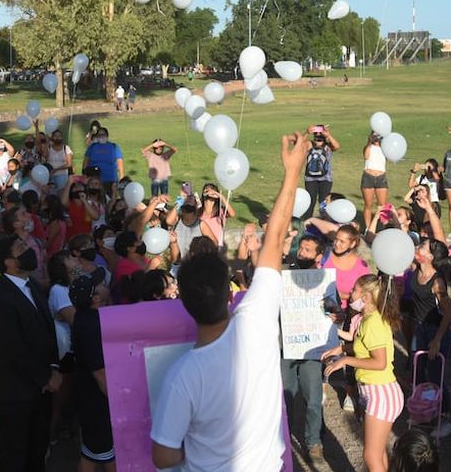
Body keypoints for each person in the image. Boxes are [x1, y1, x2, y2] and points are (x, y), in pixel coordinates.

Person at [150, 131, 309, 471]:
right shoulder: (257, 321)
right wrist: (293, 171)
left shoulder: (183, 376)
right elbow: (276, 236)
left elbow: (163, 457)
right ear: (229, 293)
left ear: (184, 302)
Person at [0, 235, 60, 472]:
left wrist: (54, 368)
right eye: (21, 248)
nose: (28, 250)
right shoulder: (0, 298)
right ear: (9, 261)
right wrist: (45, 377)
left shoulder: (32, 285)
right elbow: (11, 348)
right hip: (16, 392)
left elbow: (47, 331)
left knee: (38, 449)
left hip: (40, 389)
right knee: (16, 454)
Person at [322, 273, 403, 472]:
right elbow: (363, 348)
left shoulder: (372, 323)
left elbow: (380, 362)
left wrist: (346, 360)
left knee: (371, 454)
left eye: (355, 290)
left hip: (381, 393)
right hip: (375, 392)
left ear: (366, 296)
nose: (350, 293)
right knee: (378, 452)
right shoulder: (368, 319)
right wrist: (340, 350)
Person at [281, 235, 326, 462]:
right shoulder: (285, 271)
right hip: (285, 346)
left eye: (308, 250)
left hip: (311, 349)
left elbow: (331, 309)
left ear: (318, 256)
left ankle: (313, 442)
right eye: (302, 248)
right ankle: (284, 441)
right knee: (285, 397)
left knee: (313, 398)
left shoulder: (325, 279)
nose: (302, 252)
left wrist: (334, 312)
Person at [408, 238, 451, 438]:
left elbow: (448, 313)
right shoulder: (415, 269)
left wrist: (437, 340)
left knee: (437, 377)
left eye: (422, 246)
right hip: (420, 328)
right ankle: (423, 411)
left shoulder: (437, 281)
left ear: (429, 257)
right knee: (417, 372)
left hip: (436, 331)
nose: (417, 247)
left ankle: (447, 418)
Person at [69, 268, 114, 472]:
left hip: (87, 395)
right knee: (103, 453)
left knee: (93, 451)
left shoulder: (84, 317)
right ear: (95, 298)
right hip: (96, 400)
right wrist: (117, 402)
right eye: (101, 285)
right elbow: (99, 372)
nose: (105, 285)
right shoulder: (92, 326)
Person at [303, 124, 340, 219]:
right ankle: (307, 223)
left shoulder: (328, 146)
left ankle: (324, 220)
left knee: (324, 201)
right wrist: (307, 132)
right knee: (310, 201)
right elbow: (299, 144)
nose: (318, 136)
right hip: (310, 178)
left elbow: (337, 146)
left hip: (326, 178)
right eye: (316, 133)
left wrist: (328, 135)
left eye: (321, 133)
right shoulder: (309, 144)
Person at [82, 128, 123, 197]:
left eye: (103, 134)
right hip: (94, 181)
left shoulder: (114, 147)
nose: (101, 136)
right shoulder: (92, 147)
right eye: (99, 135)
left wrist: (121, 178)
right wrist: (84, 174)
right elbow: (86, 161)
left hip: (110, 180)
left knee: (111, 201)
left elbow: (120, 163)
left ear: (107, 135)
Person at [361, 131, 388, 227]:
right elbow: (366, 156)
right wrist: (370, 142)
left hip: (381, 177)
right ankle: (368, 228)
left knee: (383, 205)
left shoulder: (385, 149)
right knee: (368, 204)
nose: (377, 138)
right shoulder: (369, 147)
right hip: (368, 176)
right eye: (375, 136)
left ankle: (383, 226)